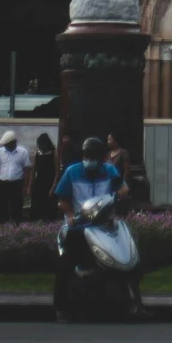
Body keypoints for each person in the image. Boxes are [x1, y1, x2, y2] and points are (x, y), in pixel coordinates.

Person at [54, 135, 137, 316]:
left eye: (93, 157)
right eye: (86, 156)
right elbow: (62, 198)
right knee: (66, 261)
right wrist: (69, 215)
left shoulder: (109, 171)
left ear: (101, 158)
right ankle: (61, 307)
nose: (89, 160)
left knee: (130, 257)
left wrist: (123, 190)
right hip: (79, 224)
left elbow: (122, 186)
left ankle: (135, 303)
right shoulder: (72, 172)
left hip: (104, 224)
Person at [0, 129, 31, 223]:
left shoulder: (23, 152)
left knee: (17, 207)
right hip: (2, 183)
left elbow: (27, 170)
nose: (5, 147)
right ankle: (0, 227)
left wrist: (26, 186)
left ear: (13, 142)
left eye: (7, 145)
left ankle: (17, 226)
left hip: (17, 183)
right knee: (1, 207)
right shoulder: (0, 152)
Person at [30, 132, 58, 219]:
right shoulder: (37, 154)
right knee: (37, 204)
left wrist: (53, 187)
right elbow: (33, 171)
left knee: (49, 206)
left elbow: (57, 172)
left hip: (50, 182)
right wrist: (29, 186)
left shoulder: (54, 154)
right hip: (39, 182)